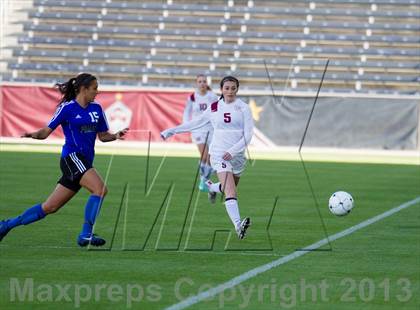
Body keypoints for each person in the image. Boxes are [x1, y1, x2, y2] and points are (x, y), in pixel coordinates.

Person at [0, 73, 129, 246]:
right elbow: (46, 132)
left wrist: (115, 136)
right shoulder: (67, 108)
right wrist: (34, 135)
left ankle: (6, 225)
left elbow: (103, 136)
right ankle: (86, 234)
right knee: (100, 189)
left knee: (49, 207)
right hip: (71, 158)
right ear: (83, 89)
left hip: (84, 162)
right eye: (95, 88)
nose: (97, 92)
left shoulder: (97, 109)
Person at [161, 76, 253, 239]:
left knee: (228, 187)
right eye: (227, 88)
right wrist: (172, 130)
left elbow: (248, 135)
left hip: (237, 155)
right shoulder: (214, 107)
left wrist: (233, 151)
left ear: (237, 89)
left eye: (233, 88)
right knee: (231, 190)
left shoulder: (243, 108)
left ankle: (211, 187)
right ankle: (238, 225)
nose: (230, 91)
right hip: (218, 154)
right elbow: (195, 122)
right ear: (221, 89)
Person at [183, 74, 218, 192]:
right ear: (196, 84)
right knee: (204, 155)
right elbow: (187, 112)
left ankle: (204, 179)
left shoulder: (212, 96)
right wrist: (186, 125)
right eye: (200, 81)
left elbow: (218, 110)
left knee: (209, 157)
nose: (202, 83)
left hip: (210, 129)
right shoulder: (193, 97)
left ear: (207, 83)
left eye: (204, 81)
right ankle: (204, 181)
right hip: (198, 129)